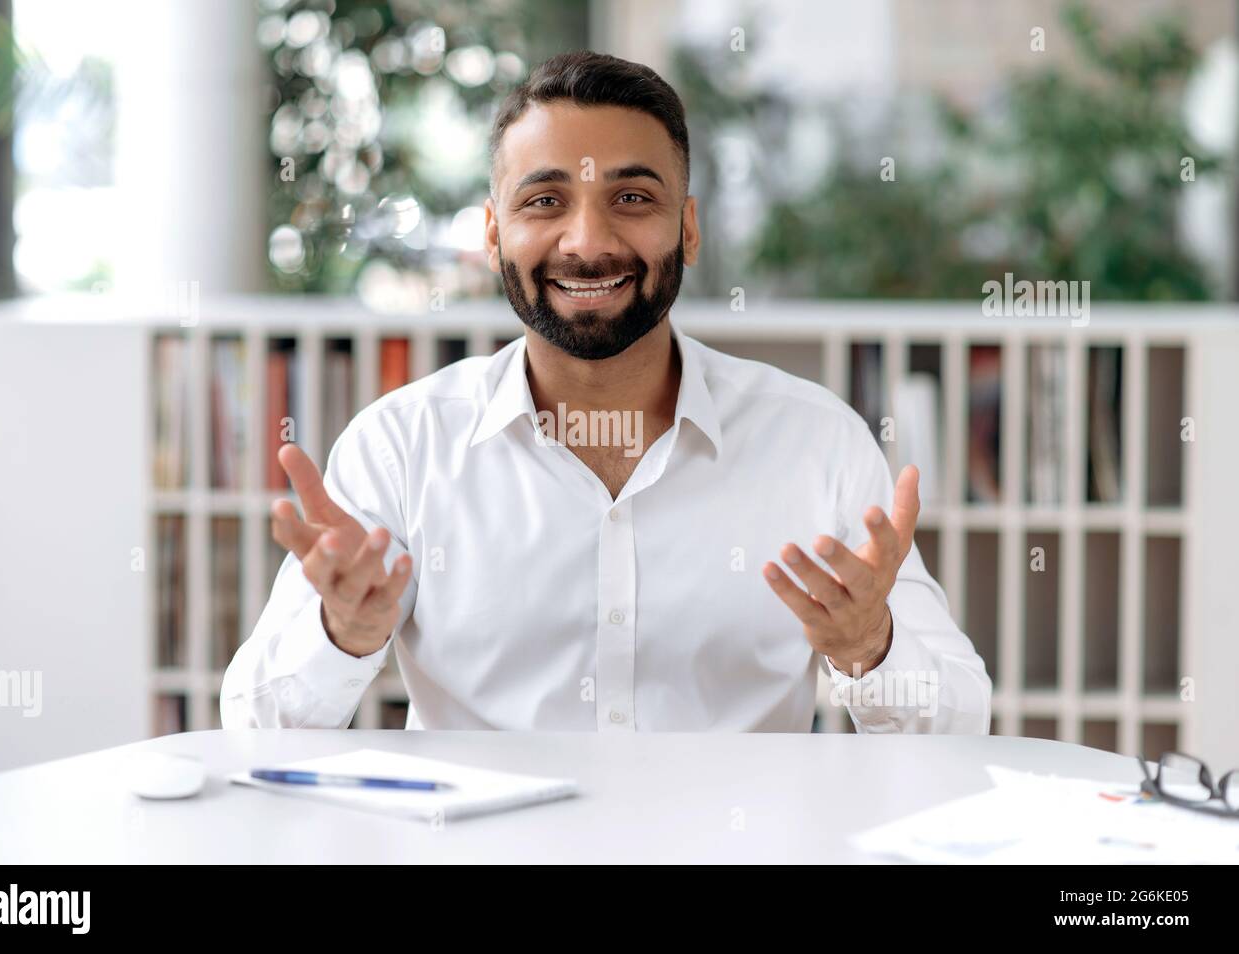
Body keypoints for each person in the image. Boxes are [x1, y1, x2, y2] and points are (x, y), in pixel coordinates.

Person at [221, 51, 991, 733]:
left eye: (631, 199)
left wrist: (870, 647)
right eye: (545, 201)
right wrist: (342, 633)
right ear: (492, 235)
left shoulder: (814, 441)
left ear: (688, 229)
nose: (587, 243)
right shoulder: (401, 446)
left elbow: (961, 718)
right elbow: (254, 723)